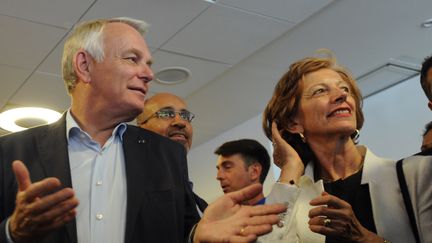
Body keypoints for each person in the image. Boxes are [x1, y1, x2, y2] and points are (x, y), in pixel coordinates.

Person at [0, 17, 287, 243]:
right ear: (85, 66)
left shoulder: (167, 155)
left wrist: (195, 235)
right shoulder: (9, 153)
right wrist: (13, 232)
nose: (149, 74)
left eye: (148, 63)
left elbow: (182, 232)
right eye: (132, 59)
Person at [257, 54, 424, 243]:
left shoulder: (414, 173)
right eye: (320, 91)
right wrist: (291, 166)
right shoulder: (292, 196)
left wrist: (364, 238)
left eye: (344, 89)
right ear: (293, 122)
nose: (342, 95)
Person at [137, 92, 208, 213]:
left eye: (185, 116)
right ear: (141, 127)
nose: (181, 122)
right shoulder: (126, 184)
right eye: (166, 114)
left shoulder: (201, 206)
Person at [215, 139, 271, 205]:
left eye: (227, 167)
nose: (219, 176)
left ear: (254, 172)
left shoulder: (280, 213)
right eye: (218, 169)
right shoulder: (221, 214)